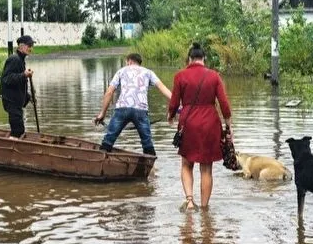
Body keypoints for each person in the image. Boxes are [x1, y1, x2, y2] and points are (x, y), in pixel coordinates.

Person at [167, 42, 232, 211]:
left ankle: (189, 201)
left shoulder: (180, 76)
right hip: (210, 124)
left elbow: (174, 102)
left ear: (189, 59)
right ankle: (204, 209)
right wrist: (228, 125)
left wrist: (171, 115)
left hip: (188, 123)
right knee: (206, 169)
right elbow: (224, 103)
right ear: (204, 58)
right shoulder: (214, 76)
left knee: (187, 164)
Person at [94, 53, 172, 156]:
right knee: (147, 144)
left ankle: (101, 162)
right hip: (141, 110)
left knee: (108, 140)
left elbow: (109, 92)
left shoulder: (121, 71)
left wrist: (102, 113)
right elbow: (162, 88)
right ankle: (150, 167)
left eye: (127, 62)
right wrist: (177, 103)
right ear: (139, 63)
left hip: (122, 109)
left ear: (129, 61)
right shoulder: (148, 72)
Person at [0, 35, 34, 139]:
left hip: (16, 101)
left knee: (18, 129)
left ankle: (13, 145)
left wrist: (28, 97)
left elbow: (19, 83)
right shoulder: (14, 59)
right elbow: (7, 79)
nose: (31, 48)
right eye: (29, 45)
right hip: (11, 101)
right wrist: (24, 75)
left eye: (31, 46)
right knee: (18, 130)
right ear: (21, 46)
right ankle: (12, 150)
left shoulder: (21, 60)